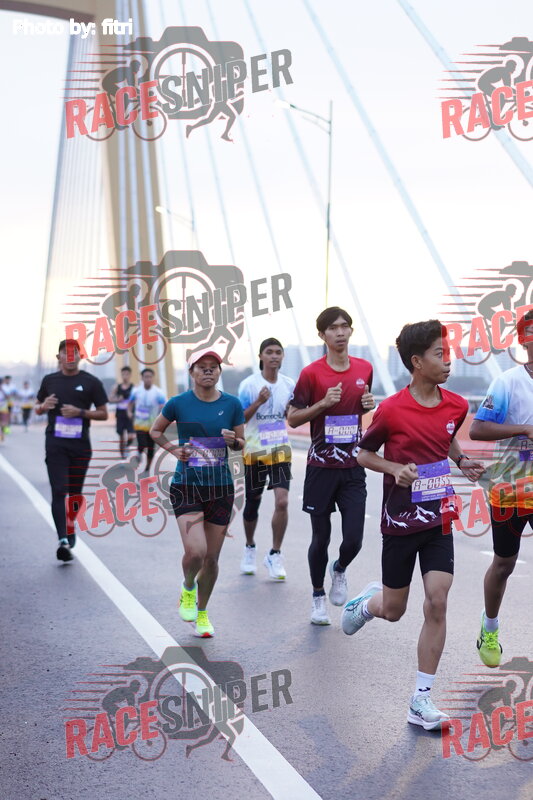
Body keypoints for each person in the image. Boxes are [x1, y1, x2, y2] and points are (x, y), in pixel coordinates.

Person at [341, 320, 484, 730]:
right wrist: (394, 469)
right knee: (394, 610)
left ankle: (421, 699)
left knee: (437, 601)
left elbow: (446, 435)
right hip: (399, 522)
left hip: (438, 517)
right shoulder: (391, 409)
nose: (449, 361)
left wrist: (461, 460)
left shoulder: (457, 405)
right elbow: (363, 454)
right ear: (417, 362)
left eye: (448, 353)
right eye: (440, 354)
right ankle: (368, 604)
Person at [287, 307, 376, 625]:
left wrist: (369, 405)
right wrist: (322, 404)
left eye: (344, 326)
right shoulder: (311, 374)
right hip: (321, 467)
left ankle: (339, 569)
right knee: (320, 537)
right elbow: (293, 418)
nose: (340, 332)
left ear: (351, 331)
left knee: (354, 539)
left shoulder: (365, 368)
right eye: (333, 328)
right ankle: (317, 599)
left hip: (352, 466)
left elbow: (361, 406)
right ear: (322, 335)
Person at [150, 348, 245, 638]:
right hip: (186, 486)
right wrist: (174, 450)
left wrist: (234, 441)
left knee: (212, 559)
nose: (208, 370)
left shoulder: (232, 404)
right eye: (201, 366)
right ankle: (188, 587)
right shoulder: (178, 403)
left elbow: (241, 443)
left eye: (213, 366)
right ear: (191, 372)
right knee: (196, 552)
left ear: (219, 372)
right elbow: (155, 431)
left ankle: (202, 613)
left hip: (220, 487)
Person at [469, 309, 533, 668]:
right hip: (510, 488)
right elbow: (477, 429)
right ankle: (489, 626)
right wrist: (522, 429)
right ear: (523, 340)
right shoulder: (507, 383)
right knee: (504, 563)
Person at [35, 339, 108, 562]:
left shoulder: (91, 382)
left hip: (80, 446)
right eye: (65, 353)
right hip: (55, 444)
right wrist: (43, 406)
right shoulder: (49, 381)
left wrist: (80, 412)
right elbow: (37, 408)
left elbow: (104, 413)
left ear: (80, 356)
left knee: (75, 493)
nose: (69, 357)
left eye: (73, 353)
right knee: (59, 490)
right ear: (58, 357)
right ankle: (63, 541)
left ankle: (70, 525)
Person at [237, 338, 295, 580]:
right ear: (261, 356)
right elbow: (239, 418)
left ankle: (275, 553)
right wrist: (259, 402)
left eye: (278, 352)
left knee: (282, 502)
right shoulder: (249, 385)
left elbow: (292, 415)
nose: (274, 356)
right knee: (253, 502)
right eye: (269, 352)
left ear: (282, 357)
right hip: (254, 452)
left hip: (280, 450)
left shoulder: (289, 384)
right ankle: (250, 546)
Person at [128, 368, 165, 475]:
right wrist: (129, 412)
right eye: (146, 377)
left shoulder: (158, 392)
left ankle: (148, 467)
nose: (148, 379)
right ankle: (139, 452)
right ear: (142, 378)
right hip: (139, 423)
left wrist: (162, 418)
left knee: (150, 447)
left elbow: (164, 406)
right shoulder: (136, 391)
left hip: (153, 425)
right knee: (142, 443)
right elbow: (130, 403)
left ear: (153, 378)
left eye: (150, 377)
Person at [109, 366, 135, 457]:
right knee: (121, 437)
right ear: (121, 375)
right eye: (123, 374)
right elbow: (110, 399)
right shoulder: (117, 387)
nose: (125, 376)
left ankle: (127, 447)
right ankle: (122, 455)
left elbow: (137, 400)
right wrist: (117, 400)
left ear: (130, 375)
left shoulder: (133, 388)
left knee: (131, 435)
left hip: (130, 414)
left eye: (127, 374)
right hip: (120, 414)